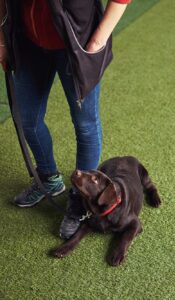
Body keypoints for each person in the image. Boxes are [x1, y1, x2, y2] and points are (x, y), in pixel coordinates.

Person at [0, 0, 131, 239]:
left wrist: (97, 41)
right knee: (27, 119)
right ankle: (49, 178)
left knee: (85, 125)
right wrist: (2, 38)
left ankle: (81, 201)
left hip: (76, 45)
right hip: (27, 41)